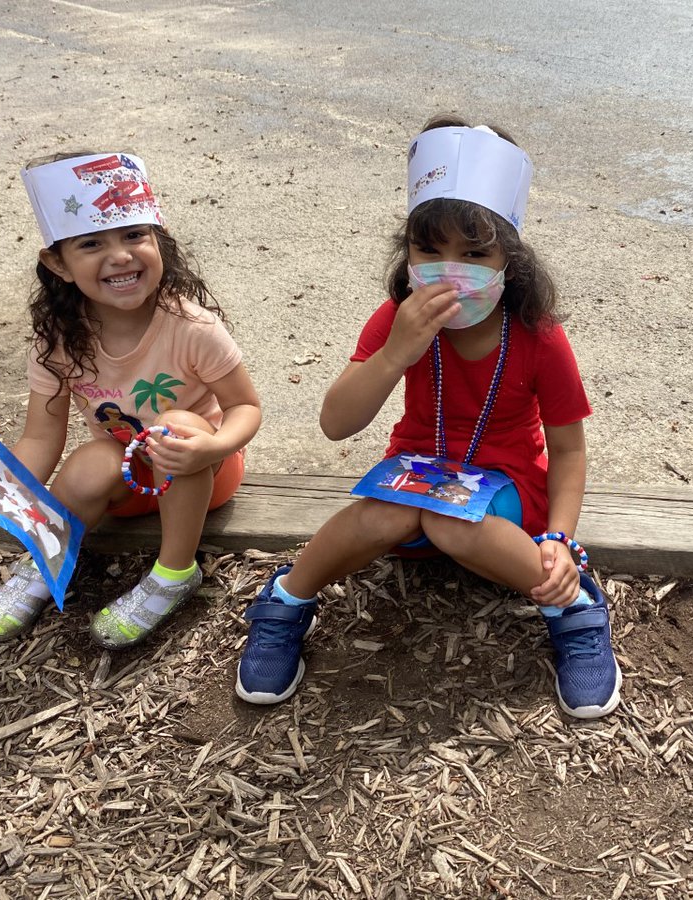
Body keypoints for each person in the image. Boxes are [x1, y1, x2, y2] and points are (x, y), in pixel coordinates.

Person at [236, 116, 621, 718]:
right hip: (414, 474)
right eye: (429, 249)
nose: (449, 268)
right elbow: (337, 423)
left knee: (449, 523)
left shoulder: (538, 337)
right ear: (407, 253)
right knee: (385, 513)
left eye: (474, 253)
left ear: (509, 264)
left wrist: (561, 543)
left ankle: (571, 606)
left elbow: (568, 449)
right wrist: (396, 353)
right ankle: (286, 599)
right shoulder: (397, 319)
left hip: (508, 487)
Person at [0, 152, 261, 647]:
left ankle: (173, 574)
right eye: (91, 243)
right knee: (85, 465)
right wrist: (10, 489)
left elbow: (244, 407)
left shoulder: (192, 326)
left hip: (203, 472)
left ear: (158, 241)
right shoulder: (57, 339)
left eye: (134, 235)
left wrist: (211, 448)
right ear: (58, 263)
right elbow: (41, 435)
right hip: (125, 482)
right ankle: (45, 560)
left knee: (177, 427)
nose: (121, 255)